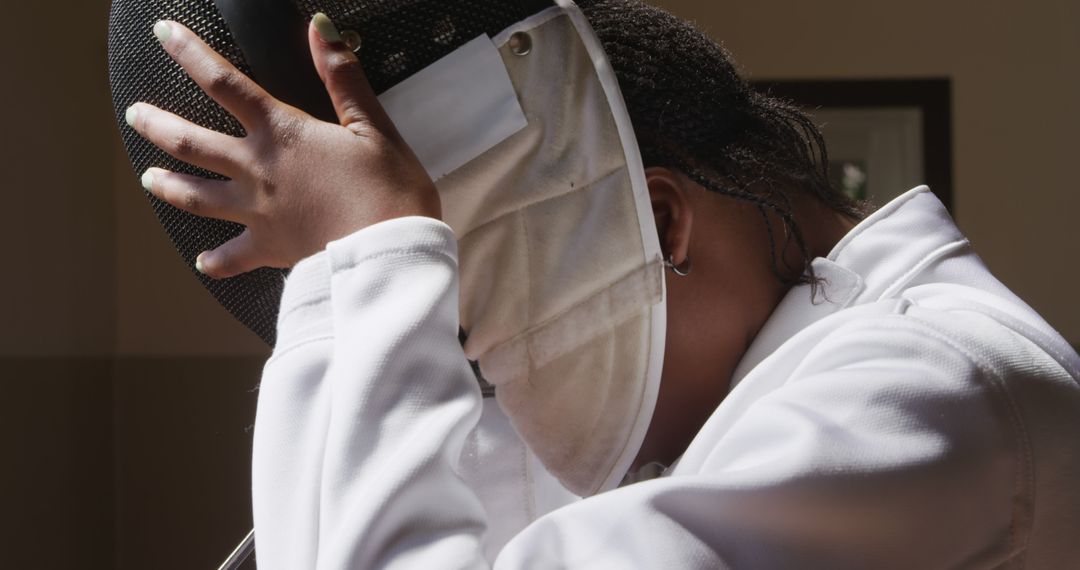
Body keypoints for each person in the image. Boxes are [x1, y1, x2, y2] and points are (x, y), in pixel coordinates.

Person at [125, 1, 1080, 567]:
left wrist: (375, 262)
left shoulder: (935, 390)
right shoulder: (749, 388)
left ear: (662, 224)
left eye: (477, 333)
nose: (501, 406)